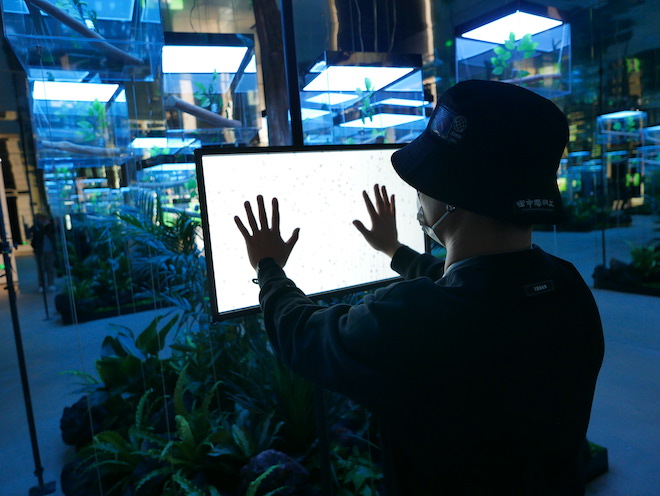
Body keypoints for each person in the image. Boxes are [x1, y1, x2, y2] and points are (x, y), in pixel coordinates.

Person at [234, 80, 604, 495]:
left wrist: (268, 266)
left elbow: (303, 334)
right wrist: (395, 251)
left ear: (451, 197)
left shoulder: (409, 322)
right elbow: (478, 291)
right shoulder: (570, 289)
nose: (418, 190)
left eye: (424, 177)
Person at [30, 213, 58, 292]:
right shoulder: (36, 228)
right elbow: (36, 237)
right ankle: (42, 285)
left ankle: (51, 283)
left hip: (49, 251)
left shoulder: (50, 227)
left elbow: (54, 232)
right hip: (40, 252)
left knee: (50, 267)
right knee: (41, 269)